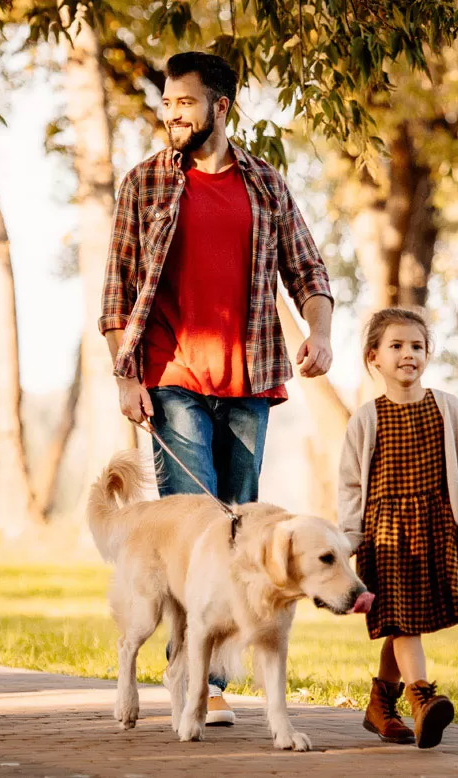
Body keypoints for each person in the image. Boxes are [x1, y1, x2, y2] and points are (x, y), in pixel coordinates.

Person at [100, 51, 334, 725]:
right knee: (197, 525)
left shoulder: (266, 185)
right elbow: (116, 293)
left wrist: (319, 333)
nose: (172, 115)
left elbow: (310, 273)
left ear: (221, 108)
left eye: (185, 104)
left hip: (252, 384)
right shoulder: (144, 183)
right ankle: (200, 682)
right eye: (167, 104)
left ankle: (202, 671)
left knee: (238, 529)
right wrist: (125, 377)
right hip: (172, 379)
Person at [338, 308, 458, 749]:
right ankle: (422, 699)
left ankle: (379, 705)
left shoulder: (448, 409)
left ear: (427, 354)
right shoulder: (365, 419)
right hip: (384, 536)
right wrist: (349, 539)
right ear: (374, 357)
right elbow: (351, 486)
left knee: (402, 620)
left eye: (416, 346)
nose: (407, 354)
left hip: (434, 530)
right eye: (396, 346)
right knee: (404, 619)